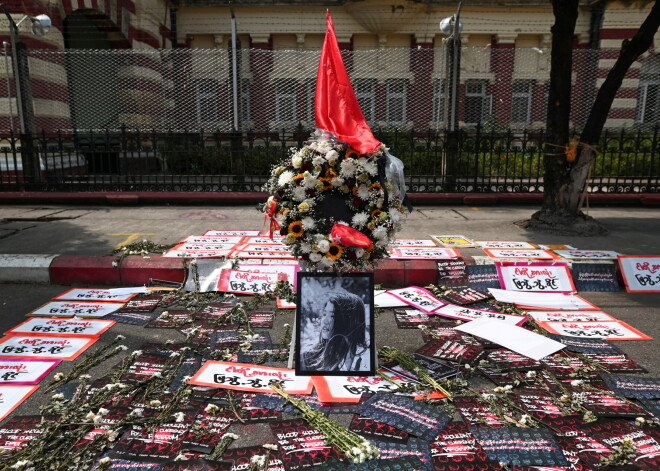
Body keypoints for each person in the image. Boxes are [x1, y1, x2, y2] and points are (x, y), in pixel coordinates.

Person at [302, 290, 369, 372]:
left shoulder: (366, 357)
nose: (324, 321)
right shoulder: (309, 358)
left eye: (332, 315)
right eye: (324, 314)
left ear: (349, 321)